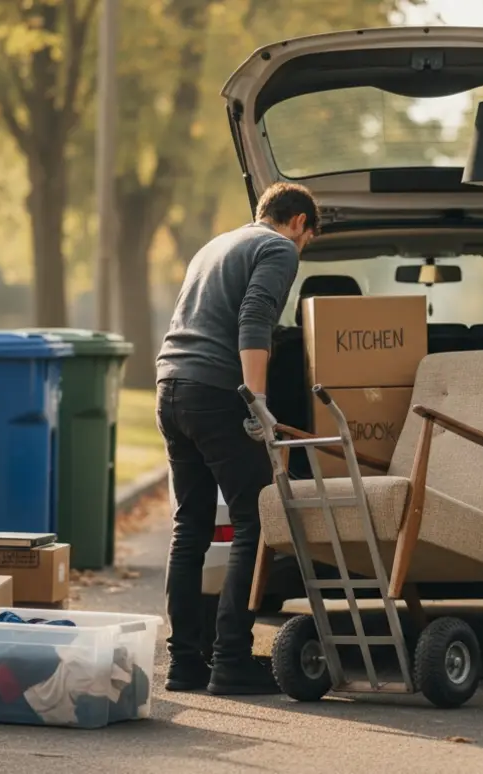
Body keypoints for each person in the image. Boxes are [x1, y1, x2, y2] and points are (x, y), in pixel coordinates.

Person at [154, 182, 319, 695]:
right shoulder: (276, 248)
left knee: (191, 527)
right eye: (307, 239)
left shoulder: (215, 246)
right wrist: (259, 402)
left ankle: (184, 664)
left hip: (170, 384)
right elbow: (254, 320)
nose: (301, 248)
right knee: (254, 520)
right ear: (297, 222)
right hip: (214, 390)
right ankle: (230, 661)